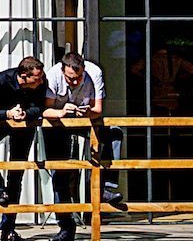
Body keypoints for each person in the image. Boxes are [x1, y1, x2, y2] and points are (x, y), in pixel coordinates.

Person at [43, 51, 126, 241]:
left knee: (114, 133)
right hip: (58, 123)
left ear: (84, 70)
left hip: (84, 120)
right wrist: (62, 111)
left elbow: (98, 109)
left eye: (78, 77)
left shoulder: (94, 72)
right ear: (62, 70)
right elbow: (46, 110)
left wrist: (88, 112)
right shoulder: (53, 74)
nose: (74, 82)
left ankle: (106, 186)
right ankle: (65, 227)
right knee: (60, 174)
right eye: (70, 78)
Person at [0, 57, 46, 241]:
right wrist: (7, 114)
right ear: (24, 76)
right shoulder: (0, 80)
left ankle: (8, 229)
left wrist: (25, 114)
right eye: (37, 78)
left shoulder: (40, 85)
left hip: (24, 126)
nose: (41, 80)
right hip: (0, 122)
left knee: (16, 174)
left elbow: (40, 107)